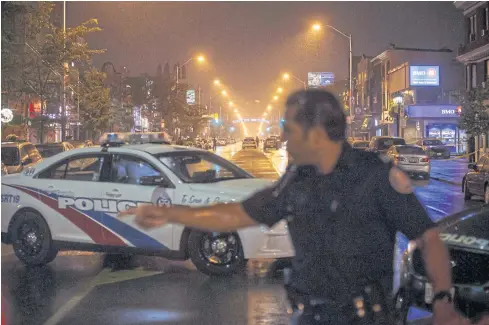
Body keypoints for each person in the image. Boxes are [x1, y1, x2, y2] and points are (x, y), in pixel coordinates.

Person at [120, 89, 471, 325]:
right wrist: (171, 214)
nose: (284, 138)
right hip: (308, 317)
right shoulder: (296, 180)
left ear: (315, 133)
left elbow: (430, 238)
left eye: (289, 128)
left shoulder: (378, 178)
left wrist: (442, 299)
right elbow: (238, 214)